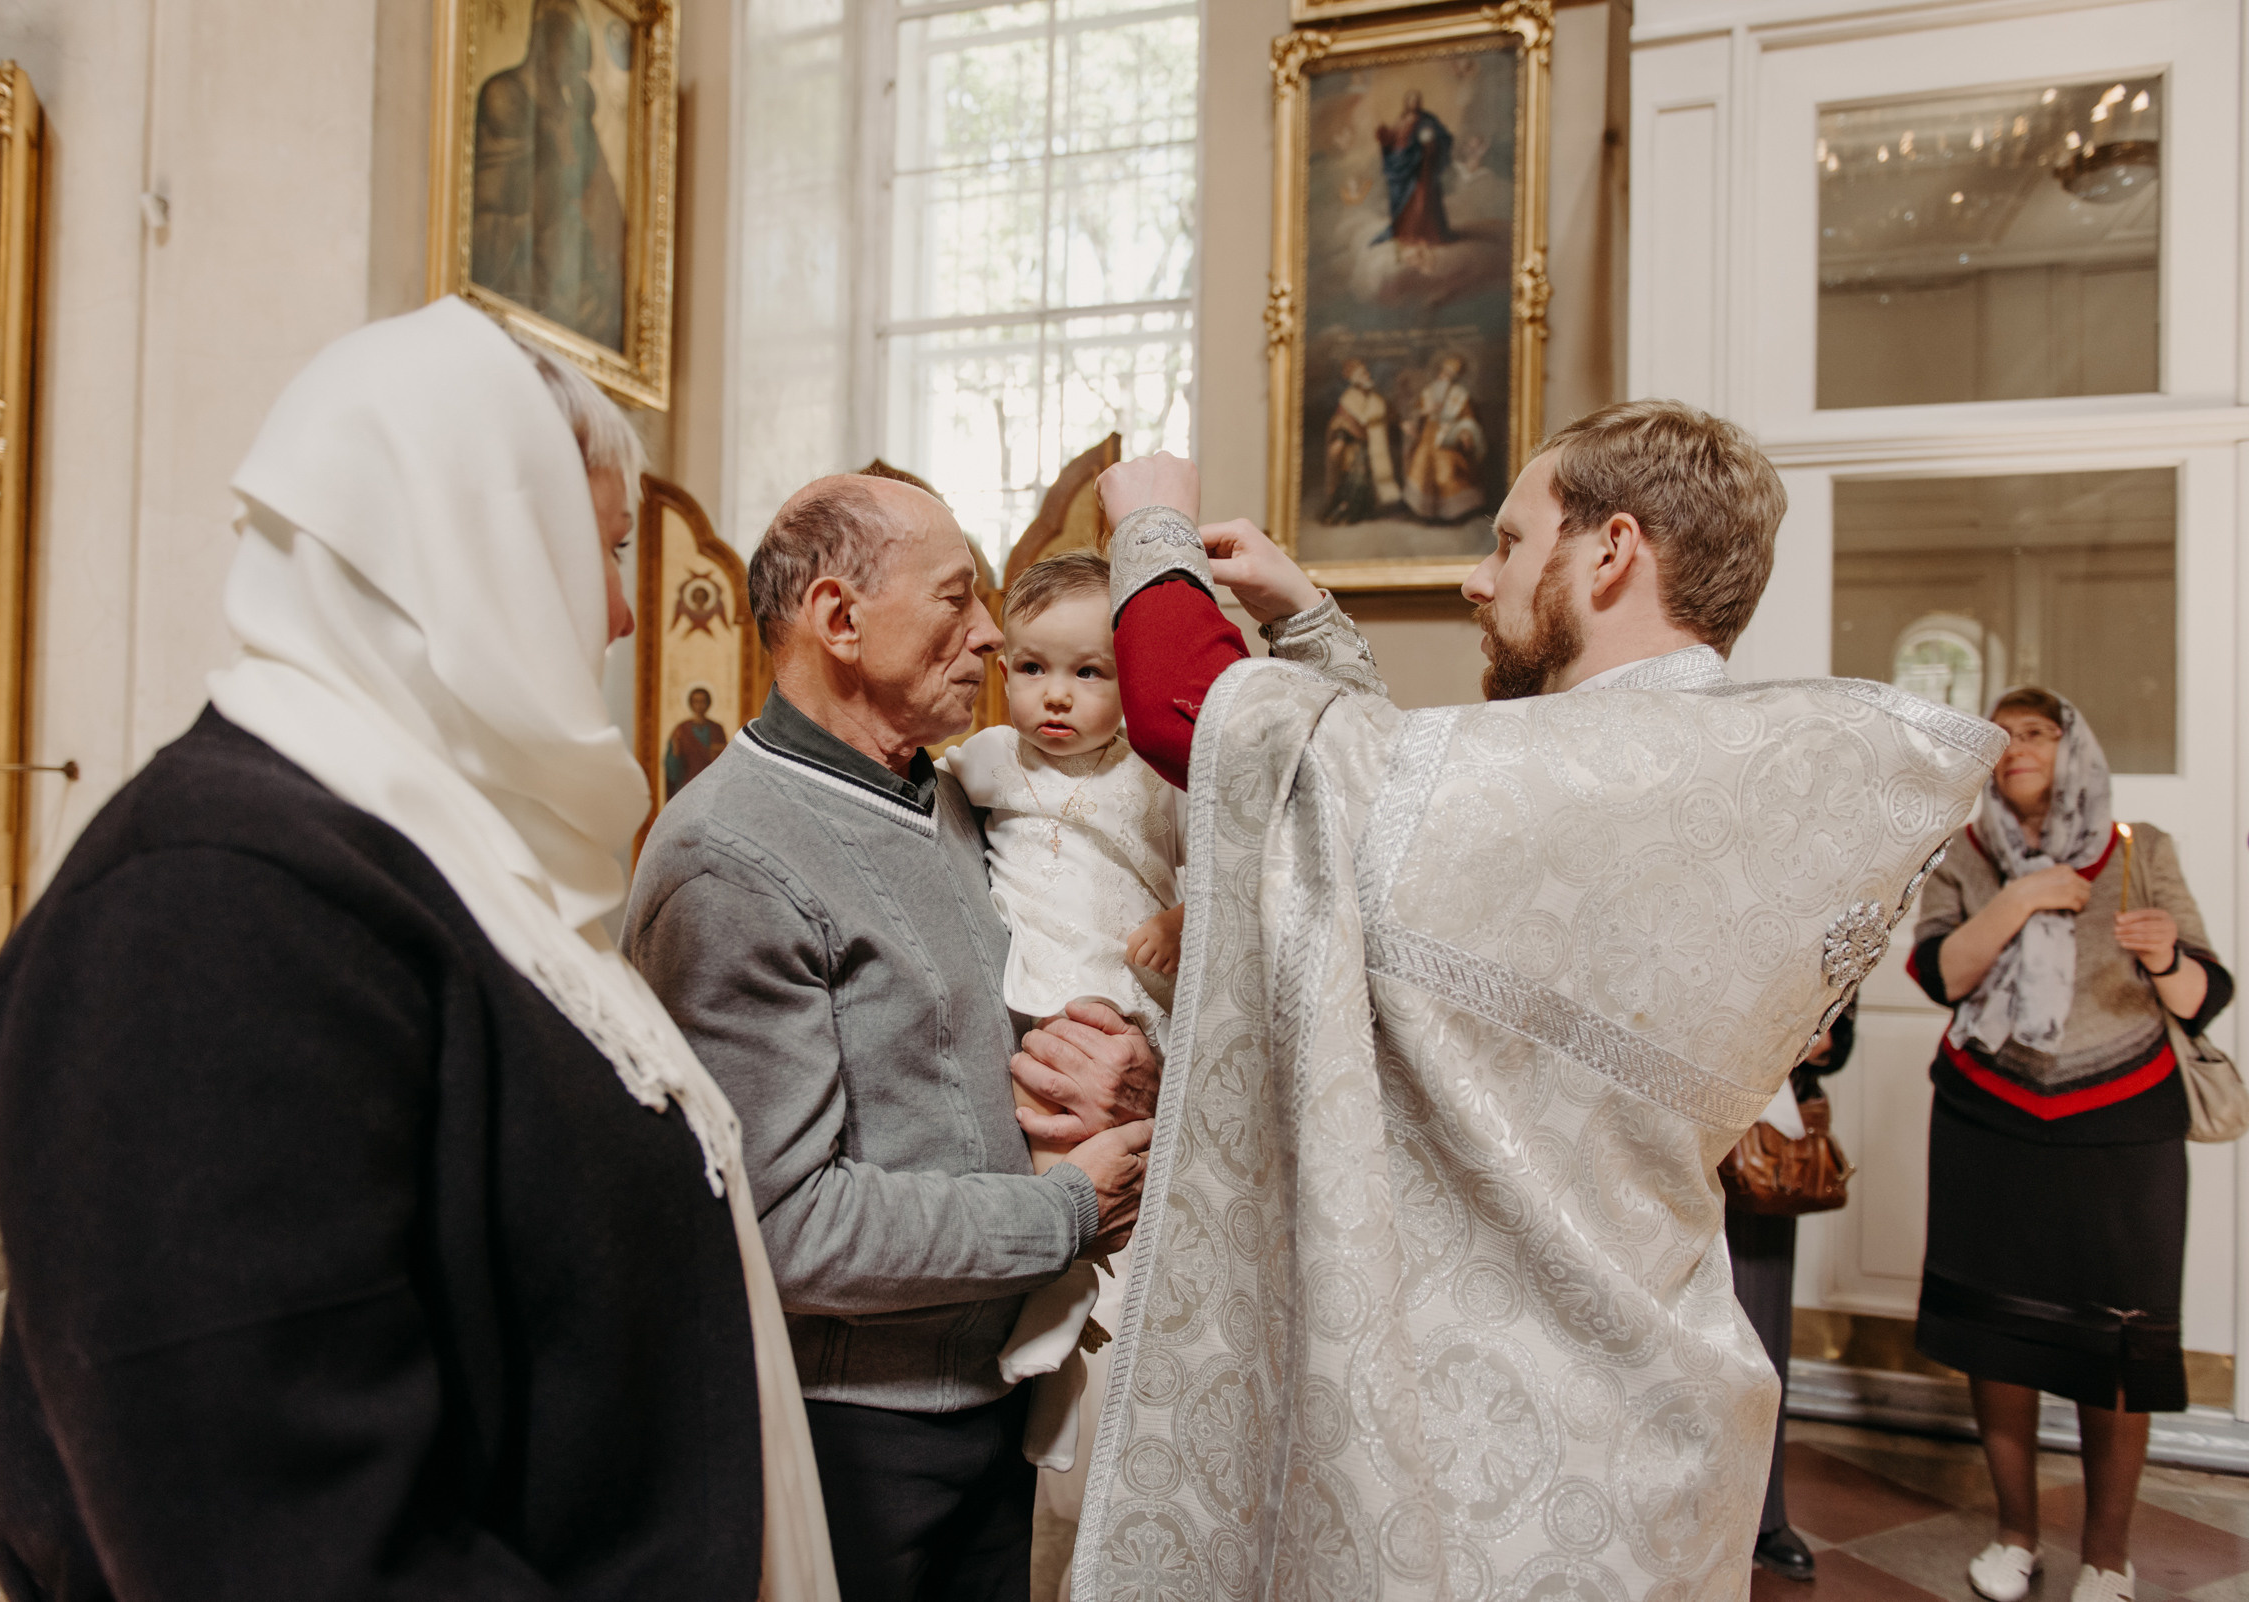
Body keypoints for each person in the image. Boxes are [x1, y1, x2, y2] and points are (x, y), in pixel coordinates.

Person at [0, 298, 835, 1600]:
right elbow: (277, 1543)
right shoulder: (207, 904)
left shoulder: (448, 855)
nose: (616, 613)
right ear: (460, 549)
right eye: (595, 546)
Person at [1065, 403, 2006, 1602]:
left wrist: (1151, 520)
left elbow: (1207, 726)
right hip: (1646, 1432)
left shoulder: (1593, 783)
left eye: (1509, 542)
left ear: (1611, 552)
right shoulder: (1713, 776)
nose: (1476, 578)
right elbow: (1399, 823)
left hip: (1476, 1459)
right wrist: (1305, 618)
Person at [624, 472, 1161, 1602]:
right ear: (839, 619)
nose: (989, 638)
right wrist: (1064, 1213)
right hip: (852, 1440)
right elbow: (780, 1226)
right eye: (960, 600)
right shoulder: (731, 860)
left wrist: (1133, 1074)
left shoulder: (954, 794)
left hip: (988, 1407)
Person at [1909, 688, 2234, 1602]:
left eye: (2037, 733)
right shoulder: (1965, 855)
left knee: (2115, 1344)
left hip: (2124, 1127)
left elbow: (2205, 997)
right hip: (1988, 1121)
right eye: (2001, 736)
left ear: (2073, 747)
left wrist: (2167, 956)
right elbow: (1941, 973)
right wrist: (2019, 900)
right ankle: (2015, 1537)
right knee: (1995, 1332)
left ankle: (2108, 1557)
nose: (2015, 748)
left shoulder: (2144, 850)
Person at [940, 551, 1184, 1479]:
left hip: (1109, 1004)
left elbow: (1229, 869)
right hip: (1020, 1001)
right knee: (1033, 1151)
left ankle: (1058, 1318)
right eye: (1034, 669)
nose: (1056, 698)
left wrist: (1172, 918)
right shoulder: (991, 761)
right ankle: (1054, 1344)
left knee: (1072, 1157)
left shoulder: (1152, 779)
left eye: (1089, 675)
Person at [1730, 998, 1858, 1583]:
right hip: (1651, 1106)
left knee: (1759, 1324)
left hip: (1763, 1130)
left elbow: (1841, 1036)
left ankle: (1761, 1516)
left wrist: (1820, 1033)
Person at [472, 0, 628, 350]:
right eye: (569, 55)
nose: (573, 73)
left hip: (552, 255)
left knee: (599, 307)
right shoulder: (505, 96)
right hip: (509, 249)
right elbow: (518, 193)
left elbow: (595, 200)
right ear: (546, 43)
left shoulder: (568, 117)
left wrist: (580, 128)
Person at [1403, 351, 1487, 524]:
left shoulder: (1460, 395)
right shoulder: (1428, 392)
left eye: (1450, 374)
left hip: (1447, 439)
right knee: (1420, 470)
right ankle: (1425, 514)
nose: (1445, 376)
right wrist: (1422, 414)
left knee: (1446, 473)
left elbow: (1468, 418)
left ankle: (1452, 515)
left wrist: (1465, 432)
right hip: (1427, 436)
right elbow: (1416, 413)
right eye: (1444, 372)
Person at [1372, 88, 1454, 248]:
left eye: (1416, 99)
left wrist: (1430, 142)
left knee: (1420, 200)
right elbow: (1392, 140)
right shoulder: (1401, 119)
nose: (1414, 102)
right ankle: (1405, 233)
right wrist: (1383, 134)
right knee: (1404, 202)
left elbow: (1443, 137)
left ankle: (1423, 234)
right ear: (1406, 102)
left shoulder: (1427, 120)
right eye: (1410, 100)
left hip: (1420, 167)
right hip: (1401, 164)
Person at [1321, 359, 1400, 524]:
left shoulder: (1375, 397)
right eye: (1363, 373)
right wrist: (1340, 440)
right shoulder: (1348, 399)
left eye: (1367, 372)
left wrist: (1401, 423)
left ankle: (1365, 510)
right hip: (1355, 445)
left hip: (1375, 444)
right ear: (1355, 378)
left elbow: (1389, 415)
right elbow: (1341, 422)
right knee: (1356, 478)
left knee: (1370, 479)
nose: (1367, 375)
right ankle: (1344, 511)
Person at [664, 683, 729, 796]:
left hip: (710, 785)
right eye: (696, 701)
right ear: (691, 703)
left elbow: (725, 759)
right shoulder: (681, 729)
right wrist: (675, 753)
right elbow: (671, 767)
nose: (699, 706)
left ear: (708, 703)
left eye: (703, 701)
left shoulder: (716, 729)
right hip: (687, 785)